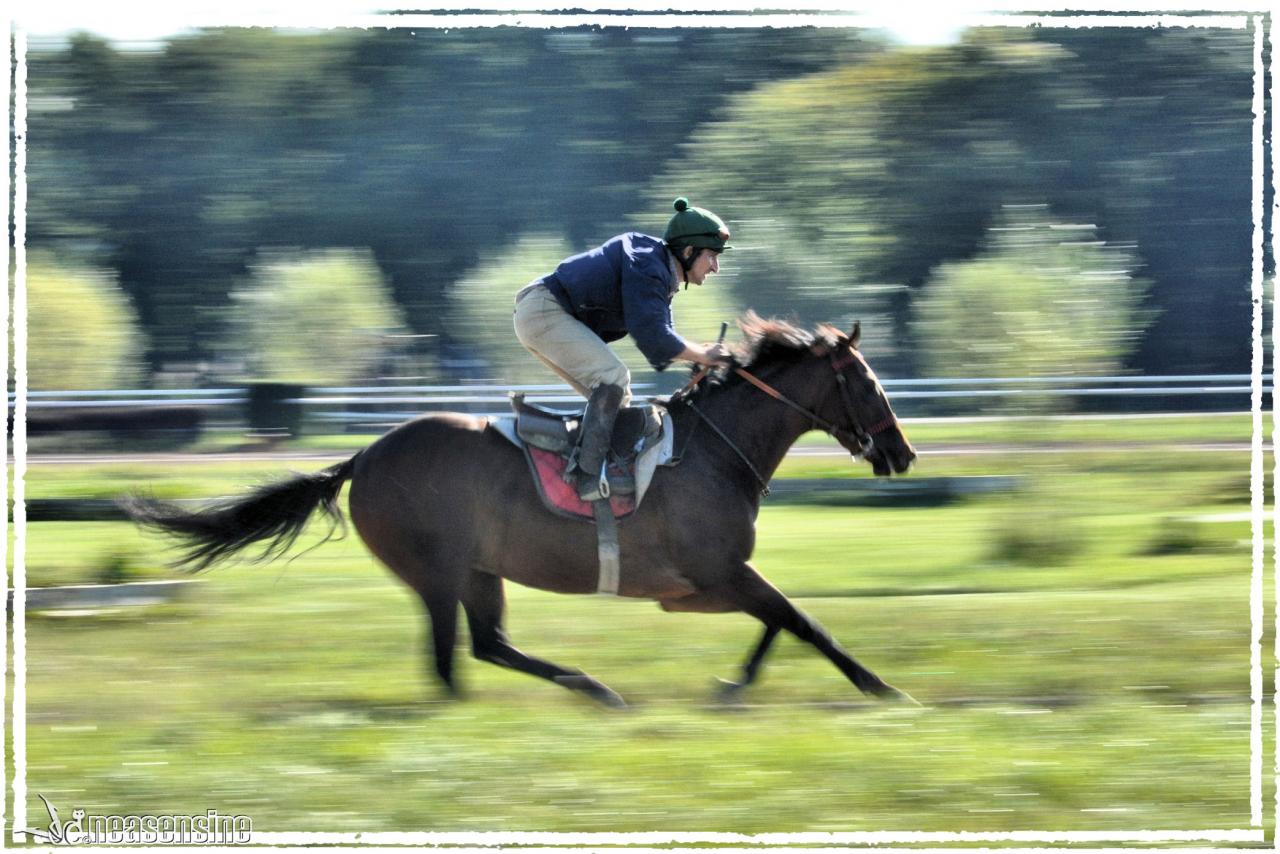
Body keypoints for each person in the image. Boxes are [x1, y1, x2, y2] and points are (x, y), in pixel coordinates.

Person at [513, 197, 733, 501]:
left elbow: (661, 343)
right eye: (712, 256)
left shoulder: (656, 269)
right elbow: (655, 338)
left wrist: (698, 353)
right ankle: (586, 481)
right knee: (614, 376)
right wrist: (702, 355)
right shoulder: (648, 265)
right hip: (544, 310)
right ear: (688, 251)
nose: (716, 268)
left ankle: (587, 470)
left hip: (540, 312)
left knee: (618, 398)